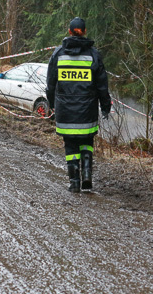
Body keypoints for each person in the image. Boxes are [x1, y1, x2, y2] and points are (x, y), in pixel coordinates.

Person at [46, 17, 111, 193]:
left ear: (69, 31)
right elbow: (102, 86)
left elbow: (51, 83)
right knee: (86, 141)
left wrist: (51, 104)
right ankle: (87, 175)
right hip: (87, 109)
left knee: (70, 144)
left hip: (65, 110)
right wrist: (106, 106)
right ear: (85, 31)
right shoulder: (93, 55)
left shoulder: (58, 54)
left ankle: (74, 182)